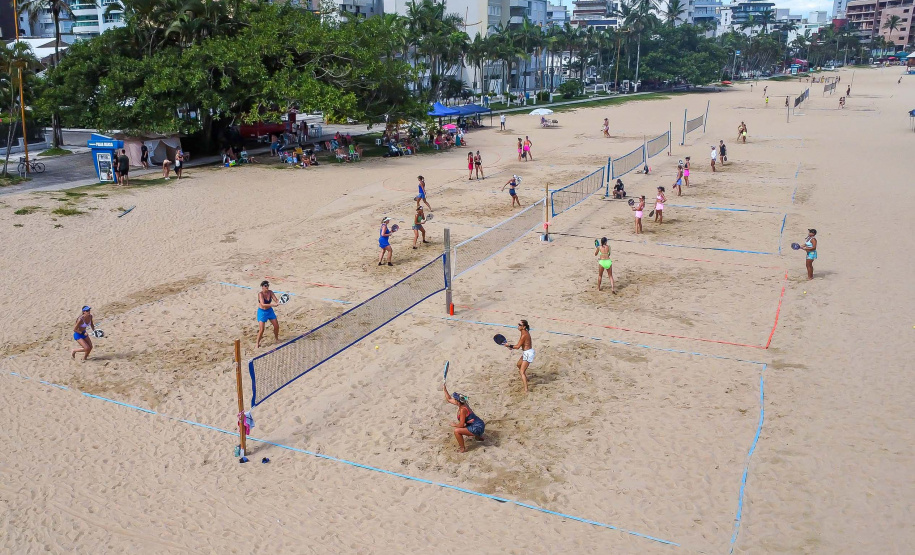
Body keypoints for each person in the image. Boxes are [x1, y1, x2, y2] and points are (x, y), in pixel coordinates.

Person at [443, 384, 484, 453]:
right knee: (468, 424)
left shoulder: (462, 410)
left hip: (477, 427)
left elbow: (461, 425)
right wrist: (444, 389)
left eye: (455, 399)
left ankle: (462, 448)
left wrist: (454, 425)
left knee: (457, 431)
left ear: (458, 402)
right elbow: (449, 399)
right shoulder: (463, 403)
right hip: (480, 424)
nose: (454, 400)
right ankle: (479, 437)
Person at [503, 320, 534, 393]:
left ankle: (526, 390)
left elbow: (517, 347)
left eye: (520, 325)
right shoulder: (524, 332)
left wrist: (509, 345)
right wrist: (511, 346)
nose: (518, 326)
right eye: (518, 324)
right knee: (518, 364)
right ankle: (525, 378)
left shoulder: (524, 335)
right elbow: (521, 345)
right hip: (526, 352)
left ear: (524, 327)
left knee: (521, 371)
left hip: (528, 353)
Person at [256, 281, 280, 348]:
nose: (267, 287)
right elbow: (263, 304)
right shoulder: (260, 294)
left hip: (269, 311)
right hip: (262, 312)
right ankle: (257, 343)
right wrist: (273, 305)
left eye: (267, 285)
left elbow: (276, 300)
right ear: (262, 287)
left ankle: (276, 338)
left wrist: (279, 302)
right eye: (265, 286)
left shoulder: (270, 292)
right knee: (261, 329)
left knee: (276, 326)